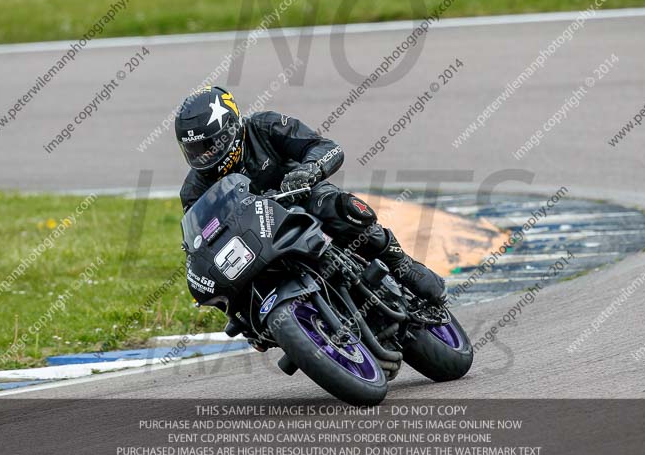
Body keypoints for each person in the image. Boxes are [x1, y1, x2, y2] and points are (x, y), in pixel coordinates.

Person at [175, 86, 446, 304]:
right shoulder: (193, 189)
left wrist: (309, 170)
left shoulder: (264, 127)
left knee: (340, 207)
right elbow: (201, 238)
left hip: (301, 199)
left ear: (232, 129)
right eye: (195, 150)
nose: (203, 156)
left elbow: (326, 147)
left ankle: (402, 264)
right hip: (256, 241)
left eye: (209, 146)